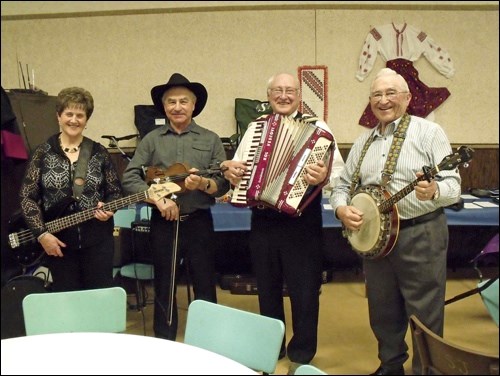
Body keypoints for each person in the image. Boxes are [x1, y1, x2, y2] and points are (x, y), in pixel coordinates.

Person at [329, 68, 462, 375]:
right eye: (377, 94)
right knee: (383, 309)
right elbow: (341, 186)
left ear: (407, 98)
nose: (384, 100)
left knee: (425, 313)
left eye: (391, 93)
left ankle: (427, 370)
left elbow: (454, 185)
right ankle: (390, 366)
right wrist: (340, 210)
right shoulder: (363, 142)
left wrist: (434, 190)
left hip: (421, 233)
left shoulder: (429, 133)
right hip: (377, 242)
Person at [221, 73, 345, 374]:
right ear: (269, 95)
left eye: (290, 90)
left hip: (302, 222)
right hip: (263, 218)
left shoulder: (319, 129)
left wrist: (323, 177)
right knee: (267, 286)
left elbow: (338, 174)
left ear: (299, 95)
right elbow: (238, 167)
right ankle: (271, 345)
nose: (284, 95)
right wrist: (231, 170)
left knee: (304, 288)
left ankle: (302, 353)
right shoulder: (255, 128)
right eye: (278, 90)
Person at [122, 73, 229, 341]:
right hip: (164, 223)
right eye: (171, 102)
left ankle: (209, 339)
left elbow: (223, 183)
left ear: (194, 105)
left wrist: (203, 183)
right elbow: (130, 176)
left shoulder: (211, 139)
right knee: (164, 284)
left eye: (183, 101)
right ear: (164, 107)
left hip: (199, 220)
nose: (177, 107)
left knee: (205, 282)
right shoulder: (151, 139)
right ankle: (164, 340)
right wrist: (157, 198)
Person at [19, 86, 123, 292]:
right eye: (69, 114)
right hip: (57, 244)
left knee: (98, 299)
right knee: (67, 304)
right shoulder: (43, 152)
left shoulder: (99, 152)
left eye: (80, 115)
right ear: (59, 116)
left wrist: (109, 208)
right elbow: (27, 197)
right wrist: (42, 235)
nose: (74, 120)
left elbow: (115, 192)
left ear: (86, 120)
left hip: (98, 242)